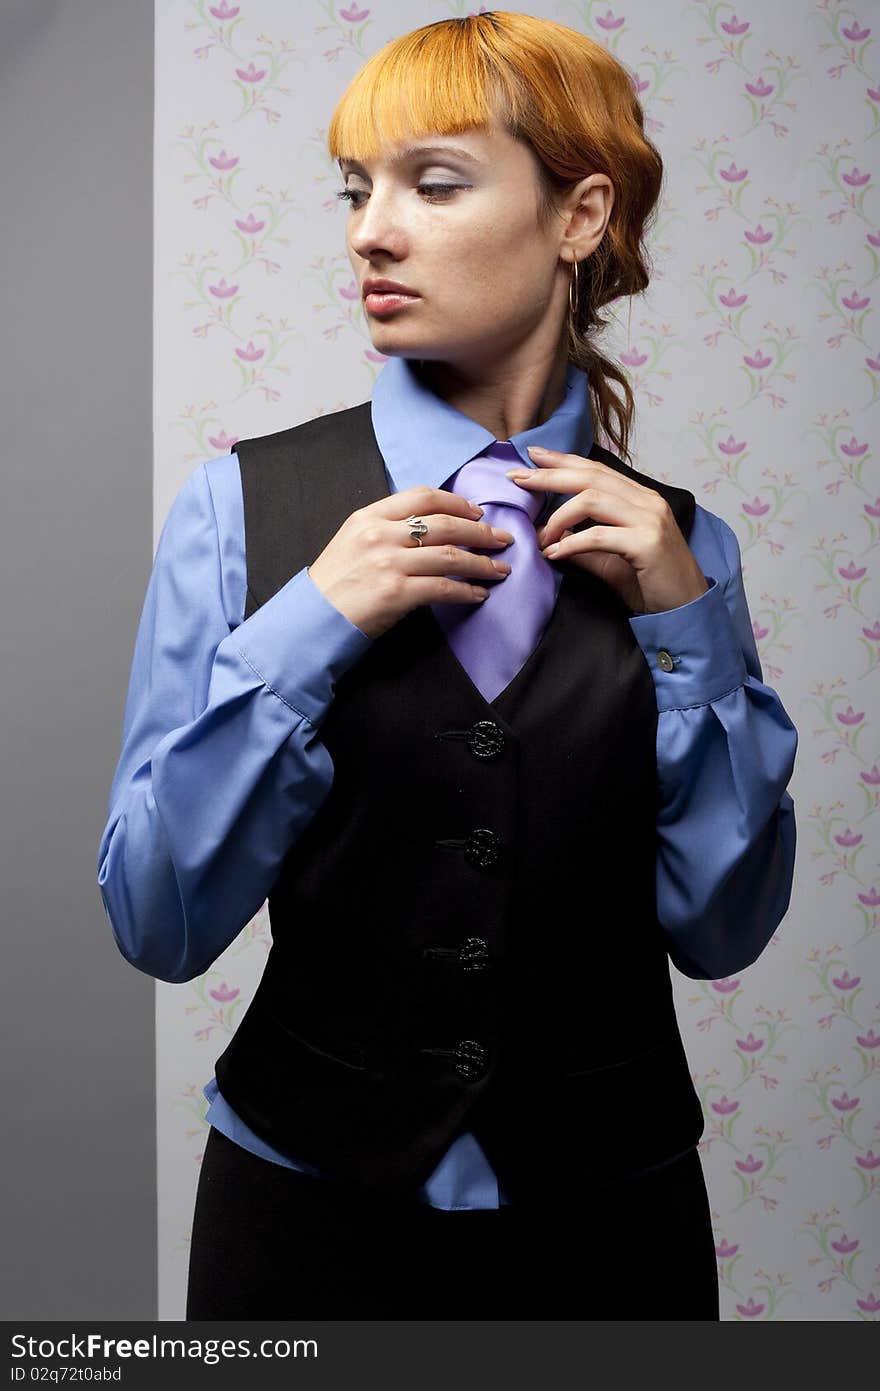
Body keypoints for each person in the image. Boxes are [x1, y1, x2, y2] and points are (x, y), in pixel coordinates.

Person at [97, 12, 798, 1320]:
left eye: (433, 182)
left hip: (615, 1227)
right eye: (356, 190)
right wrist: (308, 629)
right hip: (300, 1224)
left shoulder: (684, 547)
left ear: (579, 217)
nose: (369, 230)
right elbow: (156, 917)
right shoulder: (237, 510)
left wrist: (687, 622)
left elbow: (724, 925)